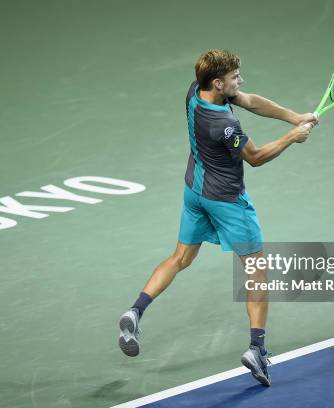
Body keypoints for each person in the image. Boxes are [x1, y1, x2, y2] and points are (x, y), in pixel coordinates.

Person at [118, 49, 318, 386]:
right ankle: (257, 348)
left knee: (180, 257)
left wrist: (295, 116)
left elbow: (250, 100)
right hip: (227, 201)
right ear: (217, 82)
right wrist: (291, 137)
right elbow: (255, 157)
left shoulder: (195, 91)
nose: (240, 81)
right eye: (235, 77)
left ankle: (135, 311)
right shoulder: (224, 125)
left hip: (194, 191)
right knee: (256, 271)